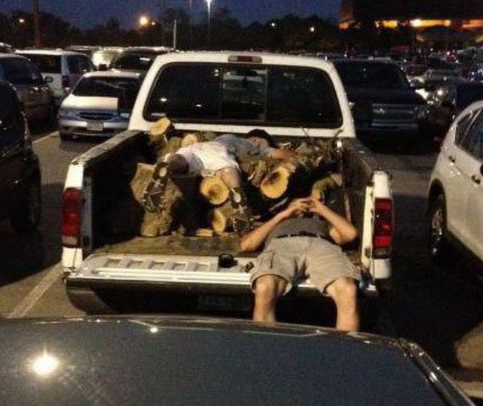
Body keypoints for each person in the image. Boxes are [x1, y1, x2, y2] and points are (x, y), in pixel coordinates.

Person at [240, 197, 360, 331]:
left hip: (321, 245)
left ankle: (344, 345)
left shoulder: (321, 224)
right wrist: (283, 215)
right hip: (283, 245)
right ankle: (266, 343)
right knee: (264, 287)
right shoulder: (276, 223)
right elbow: (247, 245)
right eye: (295, 204)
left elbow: (351, 234)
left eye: (305, 205)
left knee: (348, 289)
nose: (301, 207)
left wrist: (321, 209)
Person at [142, 129, 293, 233]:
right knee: (227, 167)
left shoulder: (224, 136)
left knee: (181, 159)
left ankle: (167, 167)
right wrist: (292, 155)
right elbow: (280, 154)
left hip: (197, 148)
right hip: (219, 152)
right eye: (264, 142)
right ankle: (237, 193)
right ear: (256, 139)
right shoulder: (251, 145)